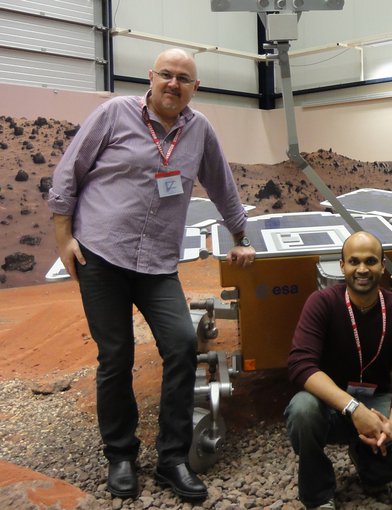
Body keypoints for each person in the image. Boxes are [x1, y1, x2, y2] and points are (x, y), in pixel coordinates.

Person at [48, 48, 256, 502]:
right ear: (151, 77)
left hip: (158, 262)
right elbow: (69, 174)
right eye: (166, 74)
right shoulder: (114, 113)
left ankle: (172, 459)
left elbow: (223, 186)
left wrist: (239, 235)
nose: (173, 84)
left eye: (184, 78)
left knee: (181, 345)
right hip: (101, 255)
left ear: (194, 88)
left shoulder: (199, 130)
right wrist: (64, 238)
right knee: (116, 355)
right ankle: (120, 456)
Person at [285, 231, 392, 509]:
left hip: (378, 402)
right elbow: (300, 365)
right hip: (331, 403)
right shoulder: (321, 303)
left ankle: (369, 466)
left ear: (383, 265)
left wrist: (391, 425)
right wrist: (354, 409)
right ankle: (318, 494)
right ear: (342, 266)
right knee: (302, 410)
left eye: (370, 261)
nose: (362, 269)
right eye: (353, 261)